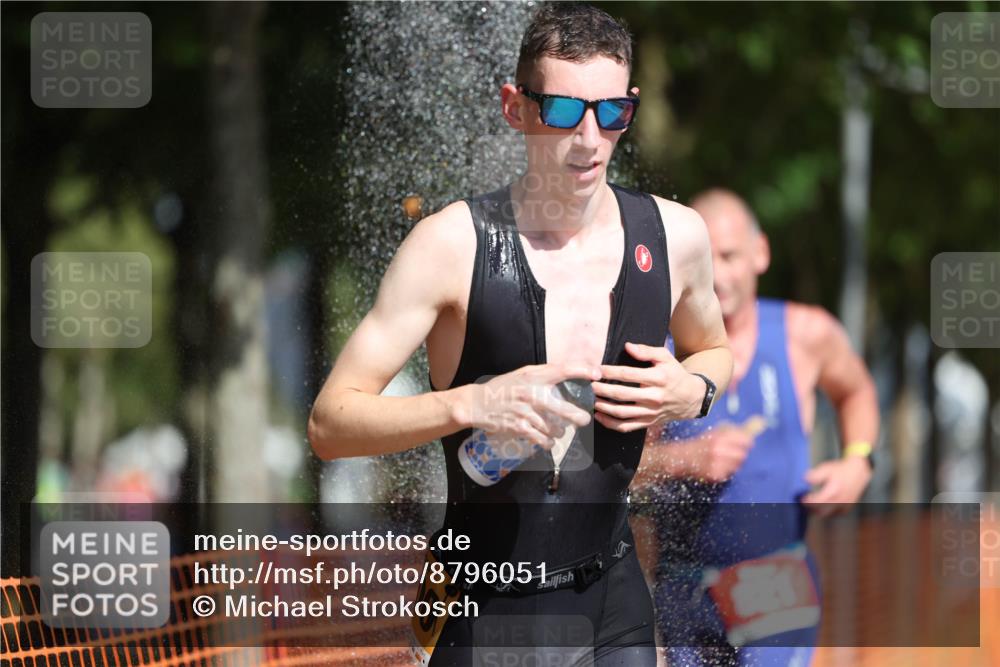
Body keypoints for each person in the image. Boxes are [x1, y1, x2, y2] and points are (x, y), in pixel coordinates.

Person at [307, 4, 732, 666]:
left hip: (612, 598)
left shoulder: (678, 237)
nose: (589, 138)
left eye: (611, 112)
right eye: (563, 111)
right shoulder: (450, 245)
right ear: (516, 107)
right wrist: (469, 404)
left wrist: (694, 389)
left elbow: (715, 349)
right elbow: (330, 423)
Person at [630, 188, 880, 667]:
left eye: (729, 256)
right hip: (682, 584)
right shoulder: (653, 352)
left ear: (760, 253)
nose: (718, 275)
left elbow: (857, 392)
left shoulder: (805, 333)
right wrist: (683, 459)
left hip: (773, 573)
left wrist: (858, 461)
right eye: (705, 258)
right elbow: (620, 472)